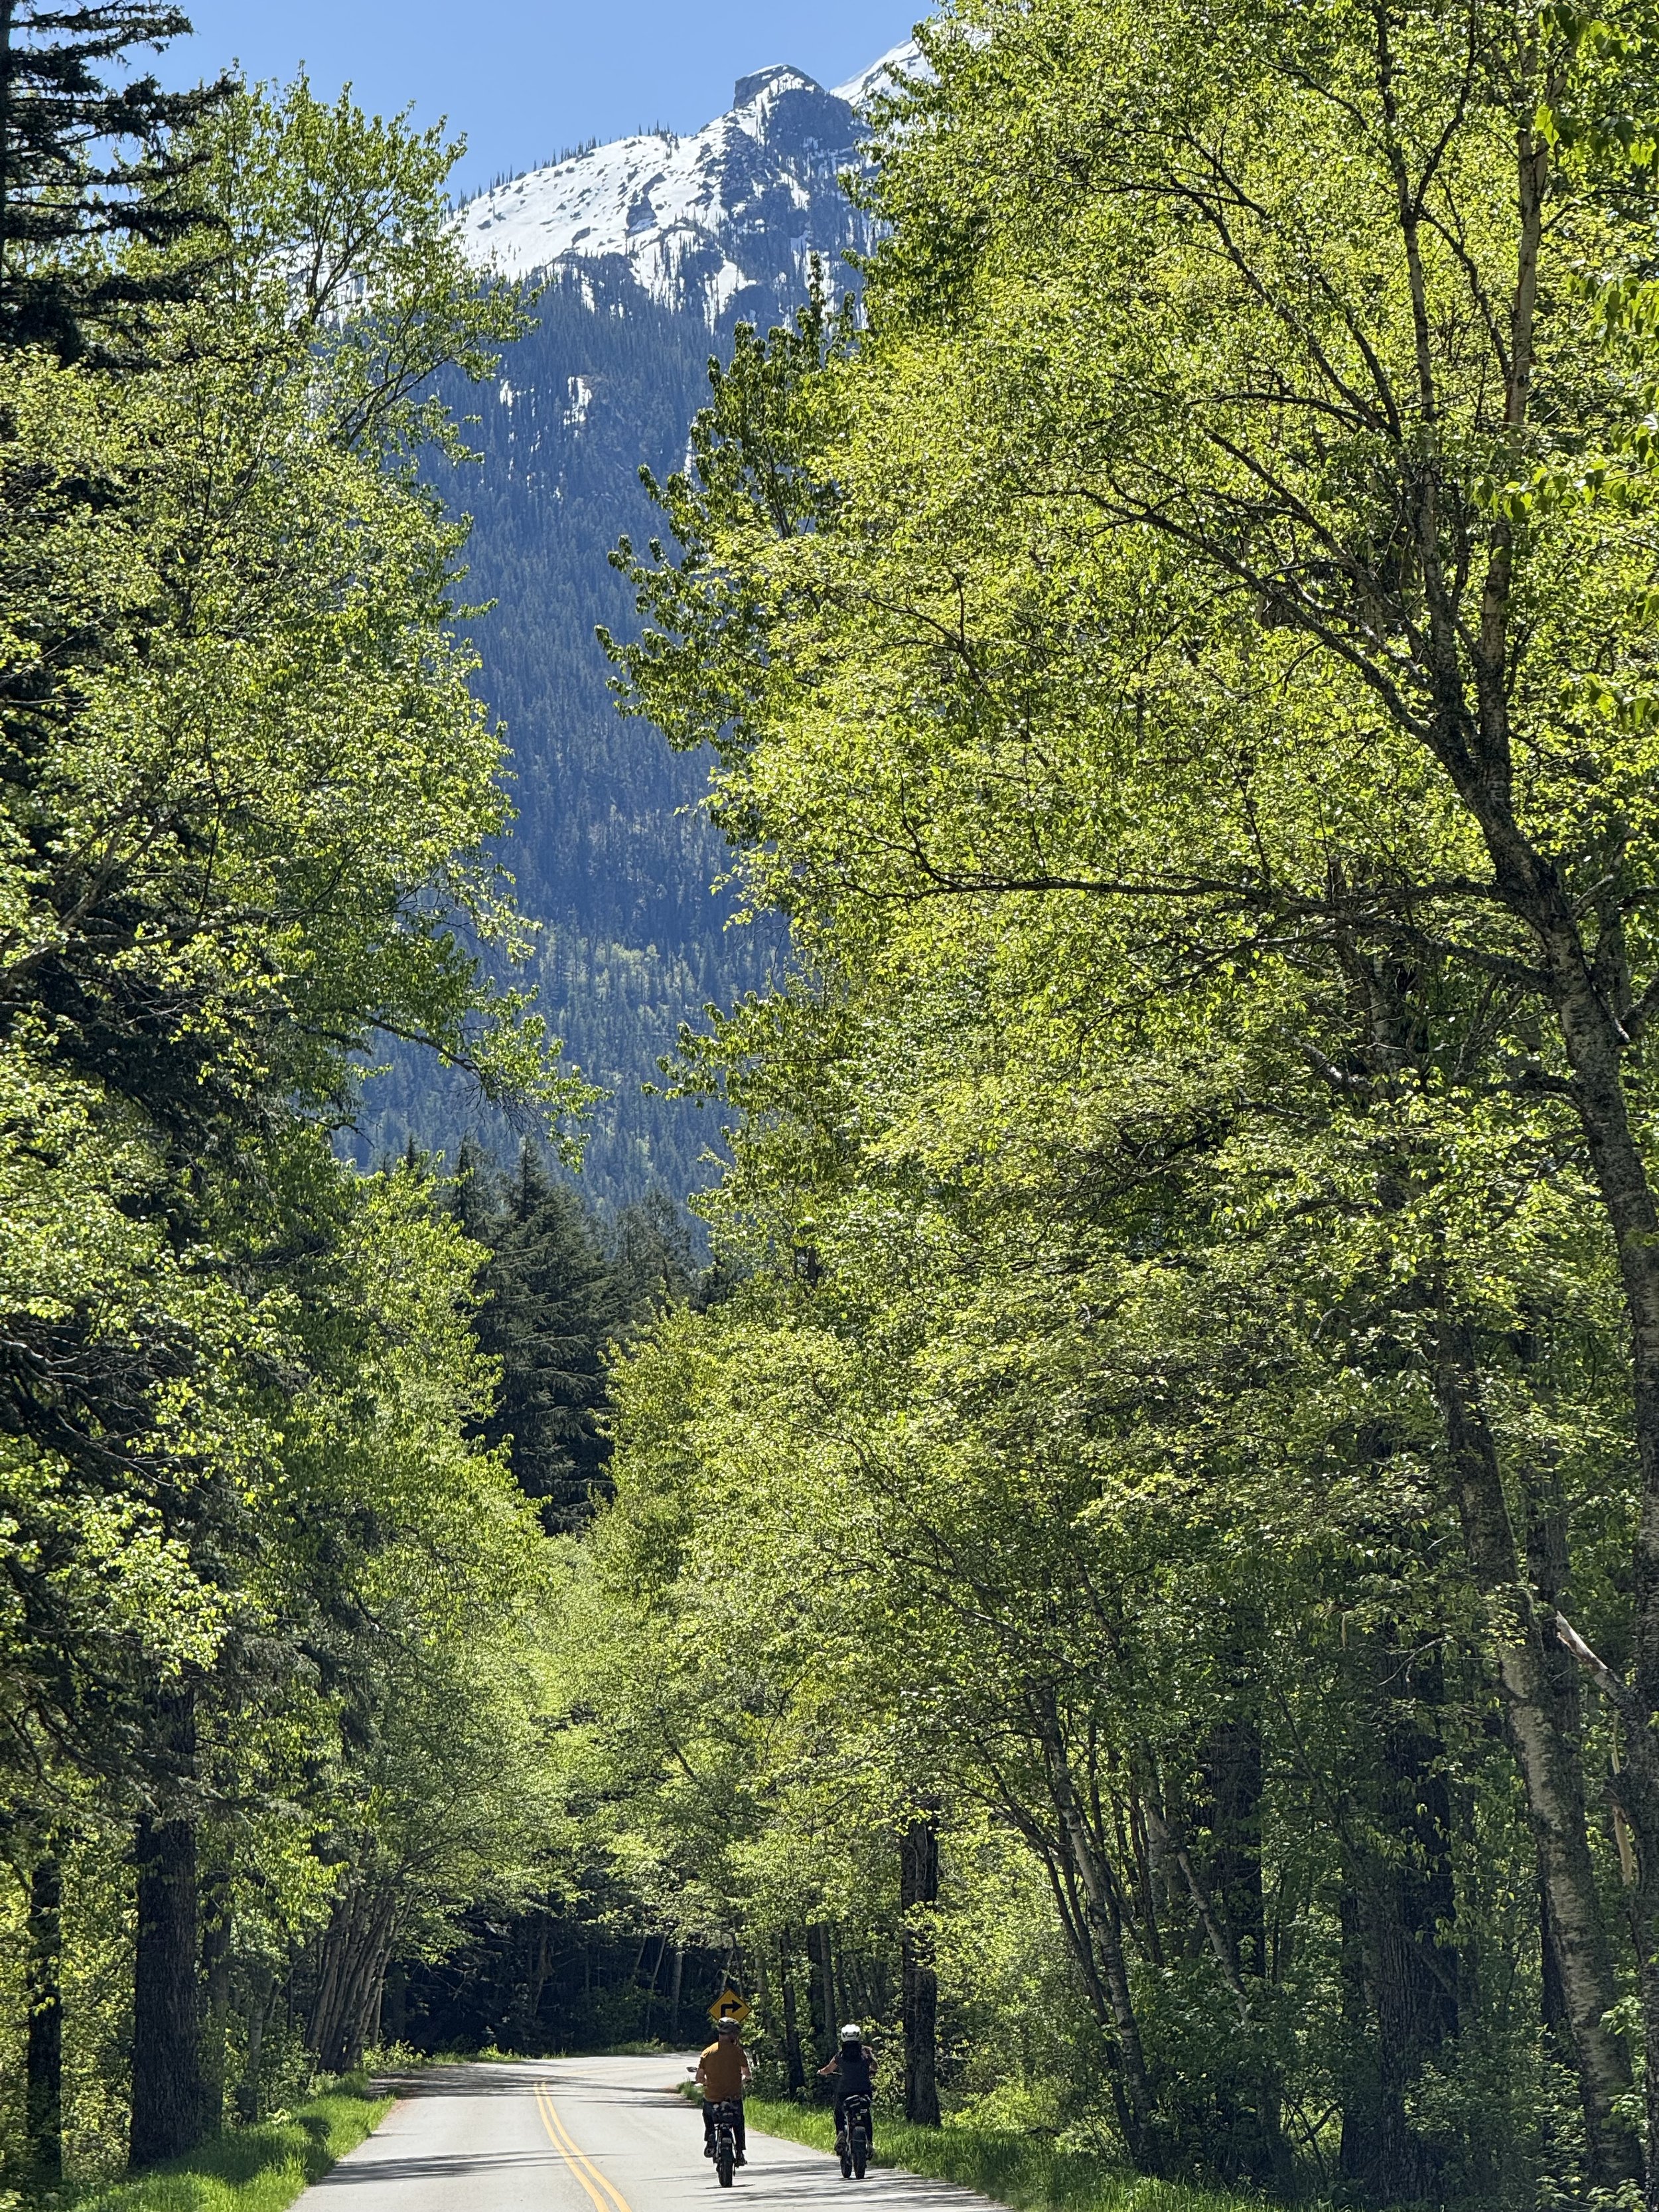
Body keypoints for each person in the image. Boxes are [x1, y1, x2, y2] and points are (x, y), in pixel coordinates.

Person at [697, 2015, 751, 2166]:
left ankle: (710, 2139)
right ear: (732, 2034)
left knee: (707, 2115)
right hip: (733, 2098)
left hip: (712, 2097)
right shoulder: (738, 2052)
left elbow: (699, 2078)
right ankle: (740, 2152)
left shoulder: (707, 2052)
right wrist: (743, 2081)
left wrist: (708, 2083)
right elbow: (747, 2075)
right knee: (739, 2122)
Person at [818, 2022, 877, 2153]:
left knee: (839, 2112)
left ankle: (840, 2134)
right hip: (864, 2090)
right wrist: (871, 2072)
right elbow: (875, 2066)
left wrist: (821, 2072)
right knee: (866, 2114)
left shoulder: (840, 2055)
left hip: (846, 2091)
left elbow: (829, 2069)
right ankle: (870, 2143)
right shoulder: (866, 2052)